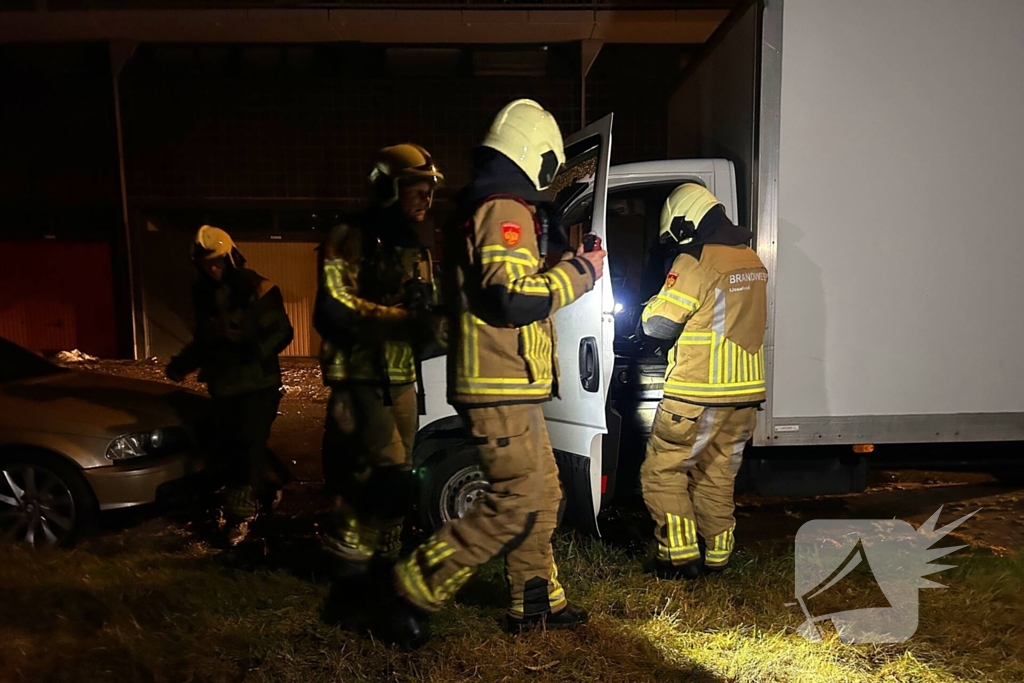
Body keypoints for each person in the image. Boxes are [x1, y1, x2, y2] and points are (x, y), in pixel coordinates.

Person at [380, 99, 607, 649]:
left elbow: (510, 285)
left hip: (511, 382)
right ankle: (411, 590)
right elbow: (511, 298)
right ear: (537, 155)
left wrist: (565, 262)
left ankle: (536, 600)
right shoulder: (503, 207)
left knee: (542, 493)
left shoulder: (497, 204)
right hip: (497, 383)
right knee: (514, 502)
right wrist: (582, 271)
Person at [314, 144, 444, 581]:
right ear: (388, 187)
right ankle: (348, 559)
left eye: (430, 189)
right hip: (358, 375)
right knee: (371, 470)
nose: (426, 197)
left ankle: (386, 555)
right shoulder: (348, 236)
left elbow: (425, 315)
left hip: (401, 374)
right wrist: (398, 317)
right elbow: (333, 308)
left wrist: (431, 317)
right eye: (416, 188)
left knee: (402, 469)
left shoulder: (416, 245)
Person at [636, 184, 767, 579]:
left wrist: (648, 307)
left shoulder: (695, 259)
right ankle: (717, 557)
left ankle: (678, 558)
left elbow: (659, 325)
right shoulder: (751, 259)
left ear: (685, 222)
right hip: (744, 395)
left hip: (696, 393)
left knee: (663, 471)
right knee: (717, 475)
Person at [166, 225, 294, 546]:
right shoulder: (203, 294)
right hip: (224, 386)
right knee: (235, 445)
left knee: (245, 449)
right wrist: (183, 364)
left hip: (259, 384)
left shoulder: (258, 288)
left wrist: (250, 349)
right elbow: (204, 339)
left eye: (217, 262)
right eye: (205, 264)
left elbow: (282, 332)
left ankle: (239, 517)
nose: (212, 269)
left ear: (231, 258)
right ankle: (273, 480)